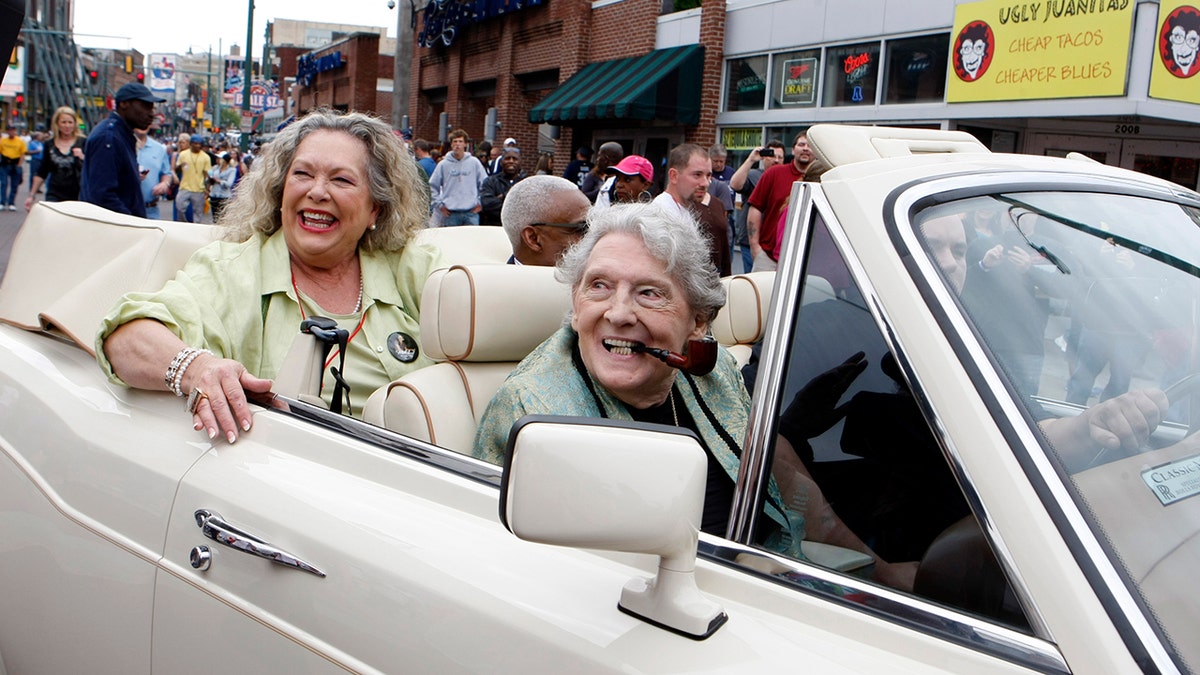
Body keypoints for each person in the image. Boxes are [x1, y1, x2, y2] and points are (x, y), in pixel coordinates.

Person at [473, 203, 914, 589]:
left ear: (698, 322)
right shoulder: (533, 411)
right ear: (575, 301)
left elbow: (779, 488)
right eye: (599, 286)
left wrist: (883, 574)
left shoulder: (712, 369)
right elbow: (538, 580)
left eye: (649, 293)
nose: (619, 313)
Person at [96, 110, 444, 443]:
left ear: (375, 209)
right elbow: (126, 338)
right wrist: (198, 369)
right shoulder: (232, 269)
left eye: (341, 179)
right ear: (280, 193)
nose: (318, 191)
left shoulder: (410, 268)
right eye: (302, 174)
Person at [79, 83, 163, 218]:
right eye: (146, 106)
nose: (151, 114)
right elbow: (103, 196)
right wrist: (133, 224)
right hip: (112, 231)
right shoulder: (109, 138)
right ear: (124, 104)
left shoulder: (121, 135)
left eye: (152, 108)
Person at [652, 143, 730, 276]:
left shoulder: (684, 210)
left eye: (708, 175)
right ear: (674, 176)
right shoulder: (660, 214)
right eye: (697, 175)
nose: (705, 183)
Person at [747, 132, 812, 271]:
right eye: (801, 144)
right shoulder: (774, 173)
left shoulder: (820, 179)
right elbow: (755, 208)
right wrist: (755, 247)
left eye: (810, 145)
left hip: (804, 262)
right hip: (768, 257)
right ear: (793, 149)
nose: (806, 148)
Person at [499, 174, 590, 266]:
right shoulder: (498, 280)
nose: (595, 236)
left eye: (595, 225)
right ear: (533, 239)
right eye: (583, 229)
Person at [729, 140, 783, 274]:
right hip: (751, 243)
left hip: (776, 245)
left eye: (780, 157)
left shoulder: (786, 179)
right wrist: (751, 159)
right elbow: (735, 184)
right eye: (772, 156)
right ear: (764, 157)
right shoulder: (754, 175)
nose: (776, 160)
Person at [25, 106, 86, 210]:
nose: (67, 126)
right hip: (55, 193)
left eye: (70, 122)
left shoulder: (83, 142)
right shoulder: (50, 144)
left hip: (78, 194)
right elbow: (42, 171)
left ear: (75, 124)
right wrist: (31, 195)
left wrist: (82, 157)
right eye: (64, 122)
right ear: (57, 124)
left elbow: (94, 167)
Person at [428, 128, 487, 226]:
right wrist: (439, 205)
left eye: (460, 141)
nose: (457, 144)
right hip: (451, 214)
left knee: (472, 240)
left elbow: (485, 184)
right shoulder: (443, 165)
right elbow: (432, 186)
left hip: (471, 213)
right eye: (455, 141)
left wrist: (481, 203)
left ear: (465, 144)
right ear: (451, 144)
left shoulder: (474, 162)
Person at [479, 147, 527, 225]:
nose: (511, 161)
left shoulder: (525, 184)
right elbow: (487, 205)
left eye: (515, 159)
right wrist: (508, 196)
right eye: (507, 158)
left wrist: (501, 198)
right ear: (501, 162)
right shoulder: (490, 181)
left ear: (520, 162)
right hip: (494, 226)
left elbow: (527, 209)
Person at [134, 124, 173, 220]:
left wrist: (165, 183)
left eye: (145, 120)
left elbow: (166, 173)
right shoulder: (122, 145)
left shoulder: (159, 149)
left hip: (151, 209)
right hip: (127, 210)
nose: (142, 123)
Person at [175, 134, 212, 223]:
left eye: (199, 144)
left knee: (198, 213)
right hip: (185, 187)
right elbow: (177, 169)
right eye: (195, 144)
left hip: (199, 189)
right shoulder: (183, 154)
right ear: (191, 144)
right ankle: (184, 224)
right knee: (179, 207)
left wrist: (207, 189)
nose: (197, 146)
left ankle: (195, 228)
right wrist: (180, 166)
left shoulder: (205, 157)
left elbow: (207, 174)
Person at [0, 124, 26, 211]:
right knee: (4, 183)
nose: (11, 132)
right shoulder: (3, 140)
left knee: (14, 185)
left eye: (12, 130)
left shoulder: (20, 141)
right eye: (9, 130)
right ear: (7, 131)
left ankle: (11, 202)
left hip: (15, 164)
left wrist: (19, 164)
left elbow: (22, 153)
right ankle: (2, 202)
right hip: (5, 164)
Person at [206, 151, 238, 222]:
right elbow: (209, 177)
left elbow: (229, 184)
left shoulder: (232, 170)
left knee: (223, 218)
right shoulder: (215, 168)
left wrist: (218, 180)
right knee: (215, 218)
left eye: (219, 158)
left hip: (224, 196)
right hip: (214, 194)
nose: (217, 159)